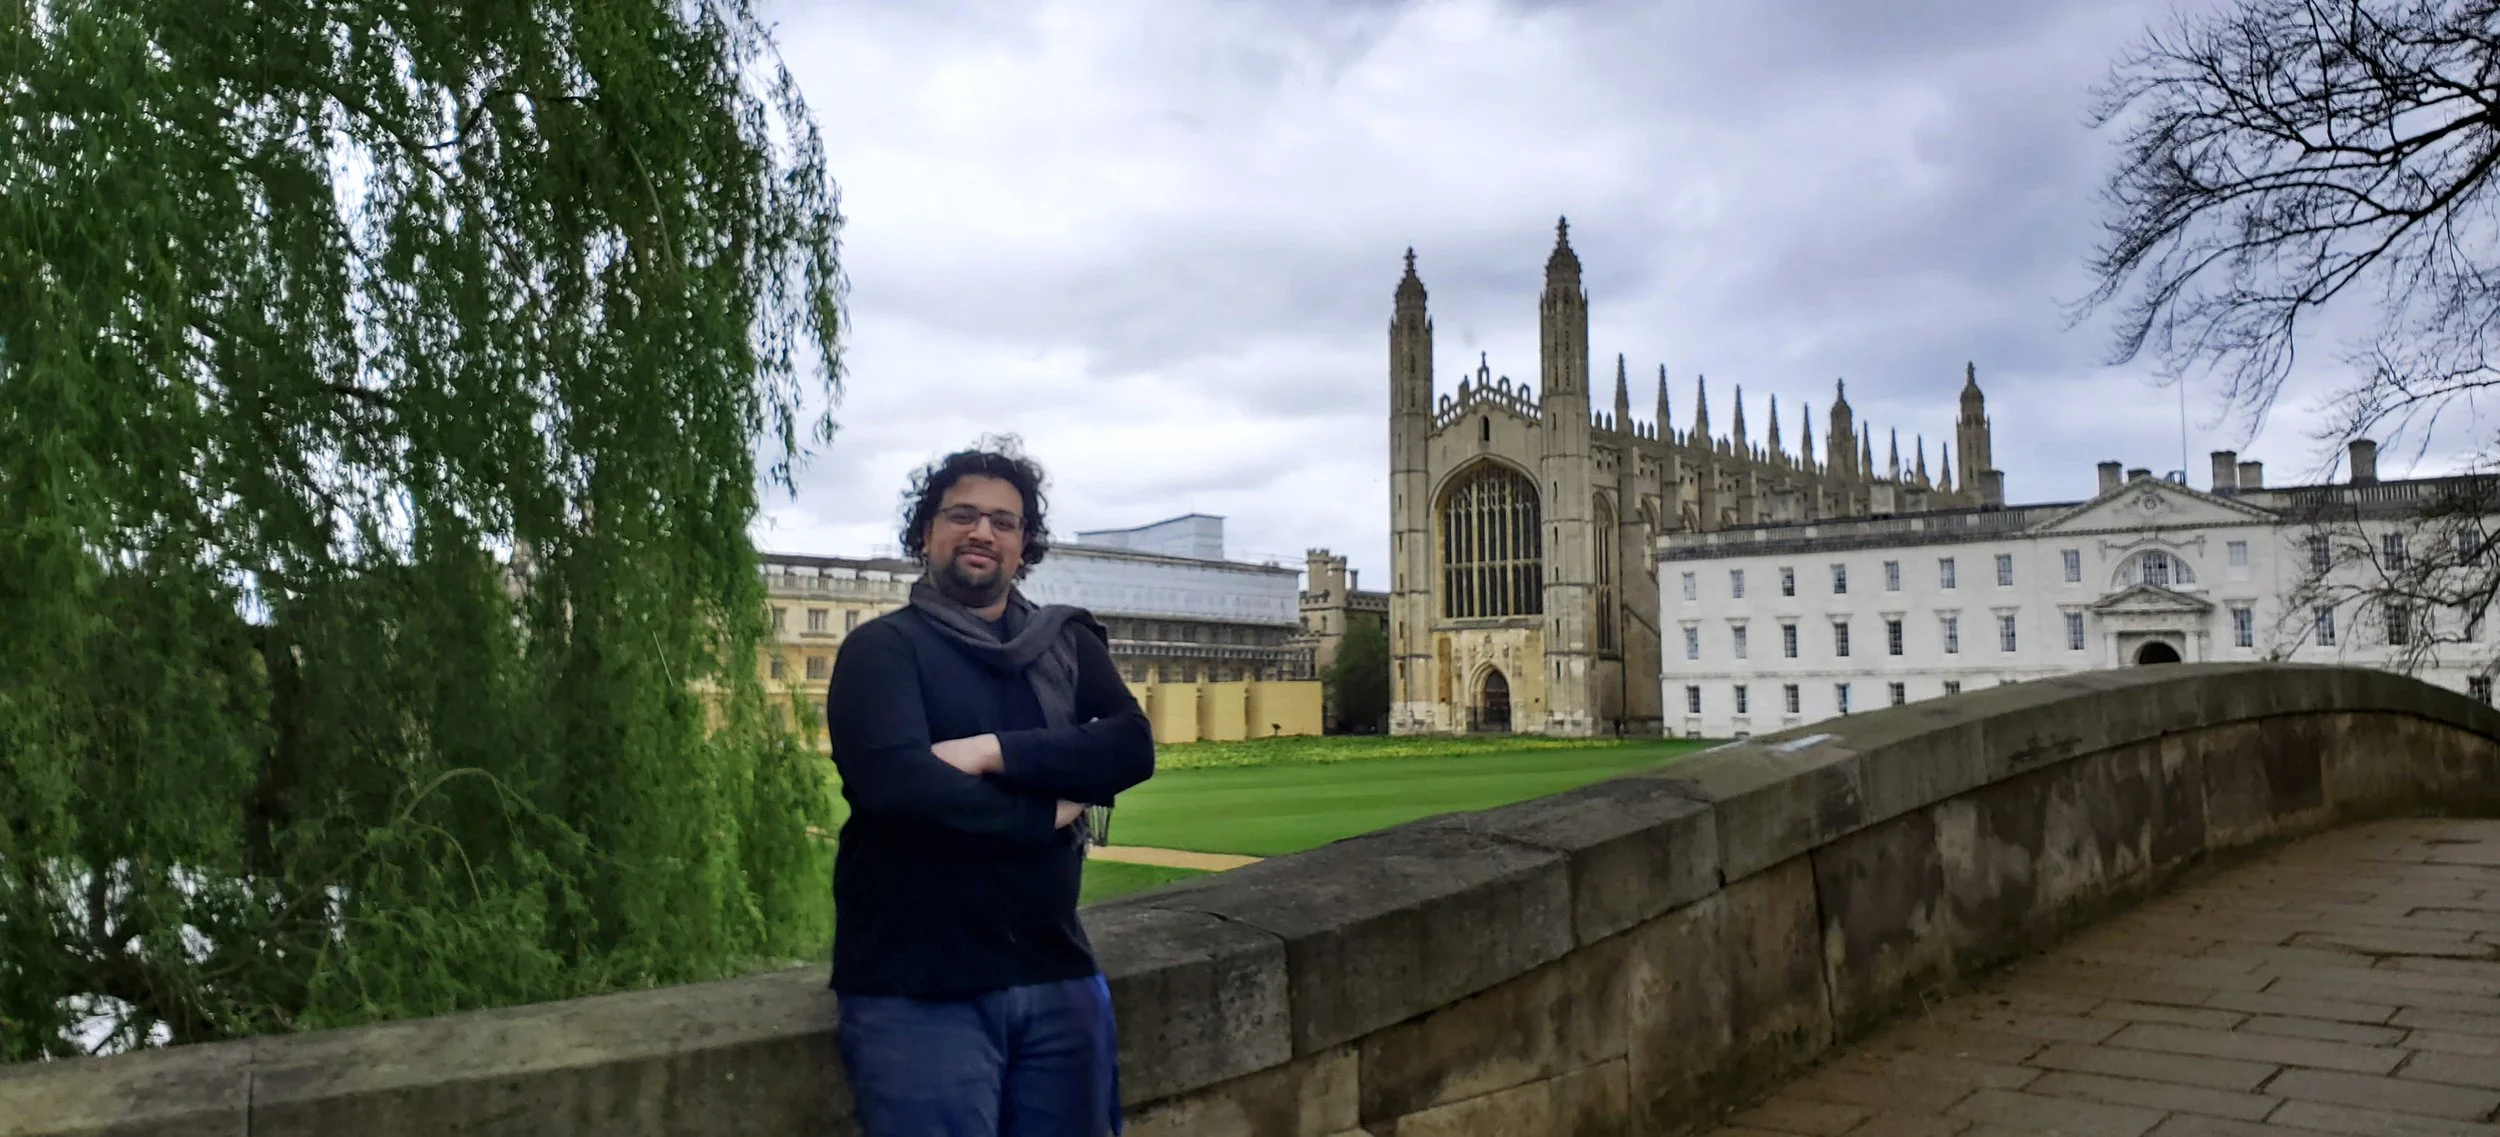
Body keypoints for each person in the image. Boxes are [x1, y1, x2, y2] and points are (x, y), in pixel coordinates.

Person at [824, 441, 1155, 1137]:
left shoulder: (1062, 643)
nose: (983, 531)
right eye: (963, 515)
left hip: (1056, 971)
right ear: (926, 532)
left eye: (1004, 521)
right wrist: (1052, 806)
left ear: (1023, 544)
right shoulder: (882, 650)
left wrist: (991, 751)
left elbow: (1130, 745)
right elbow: (901, 790)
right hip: (918, 987)